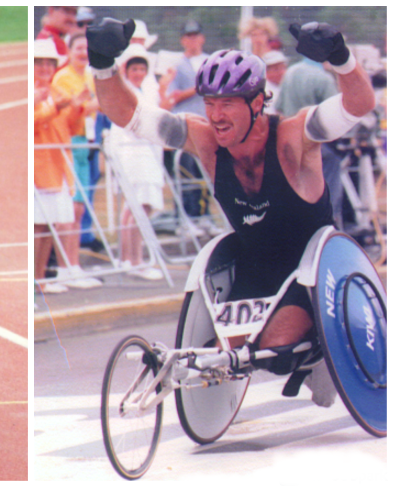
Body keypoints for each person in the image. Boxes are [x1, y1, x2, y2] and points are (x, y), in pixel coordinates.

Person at [87, 20, 374, 393]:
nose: (216, 115)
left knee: (274, 349)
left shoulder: (292, 137)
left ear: (257, 102)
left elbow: (359, 104)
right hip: (255, 264)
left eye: (226, 104)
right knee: (225, 356)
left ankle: (322, 351)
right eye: (209, 103)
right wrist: (102, 63)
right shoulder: (206, 141)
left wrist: (341, 57)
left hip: (313, 269)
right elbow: (130, 116)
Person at [106, 44, 165, 280]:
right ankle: (134, 261)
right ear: (126, 70)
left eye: (142, 69)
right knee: (138, 208)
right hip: (134, 155)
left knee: (137, 208)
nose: (139, 73)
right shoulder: (127, 92)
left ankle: (130, 260)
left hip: (145, 154)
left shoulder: (144, 92)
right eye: (135, 69)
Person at [34, 39, 85, 294]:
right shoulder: (30, 93)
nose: (44, 68)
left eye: (48, 63)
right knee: (38, 227)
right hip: (39, 168)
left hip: (58, 166)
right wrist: (55, 108)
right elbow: (32, 123)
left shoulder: (56, 91)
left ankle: (41, 279)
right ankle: (35, 280)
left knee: (50, 225)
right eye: (39, 63)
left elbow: (71, 127)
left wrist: (77, 108)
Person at [51, 33, 102, 288]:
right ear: (69, 50)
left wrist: (89, 105)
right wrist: (88, 104)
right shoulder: (63, 77)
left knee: (79, 209)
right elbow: (71, 111)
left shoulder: (89, 76)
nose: (83, 52)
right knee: (70, 210)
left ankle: (74, 265)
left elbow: (94, 105)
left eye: (87, 48)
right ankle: (64, 268)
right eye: (78, 47)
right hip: (71, 141)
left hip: (85, 142)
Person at [275, 54, 343, 229]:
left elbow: (279, 108)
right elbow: (335, 114)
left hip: (289, 141)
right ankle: (330, 231)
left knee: (295, 192)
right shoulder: (323, 77)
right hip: (317, 144)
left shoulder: (289, 73)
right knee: (328, 191)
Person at [164, 20, 214, 234]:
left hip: (207, 126)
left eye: (195, 35)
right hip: (185, 128)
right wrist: (196, 89)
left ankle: (204, 216)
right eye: (188, 36)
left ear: (201, 38)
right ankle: (184, 219)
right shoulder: (177, 66)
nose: (192, 40)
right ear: (183, 40)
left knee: (205, 174)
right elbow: (172, 96)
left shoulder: (210, 62)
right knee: (185, 174)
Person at [262, 50, 287, 114]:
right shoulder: (264, 91)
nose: (282, 72)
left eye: (283, 68)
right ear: (266, 72)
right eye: (276, 69)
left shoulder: (287, 86)